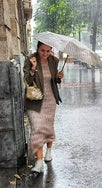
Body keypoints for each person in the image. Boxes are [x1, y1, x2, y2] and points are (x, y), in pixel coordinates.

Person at [23, 41, 64, 173]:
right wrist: (33, 68)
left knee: (48, 127)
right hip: (35, 100)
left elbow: (54, 80)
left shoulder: (54, 60)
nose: (45, 54)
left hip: (50, 99)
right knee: (37, 128)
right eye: (42, 50)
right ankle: (39, 162)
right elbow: (27, 81)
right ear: (38, 48)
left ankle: (49, 151)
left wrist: (58, 77)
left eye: (48, 51)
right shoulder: (31, 59)